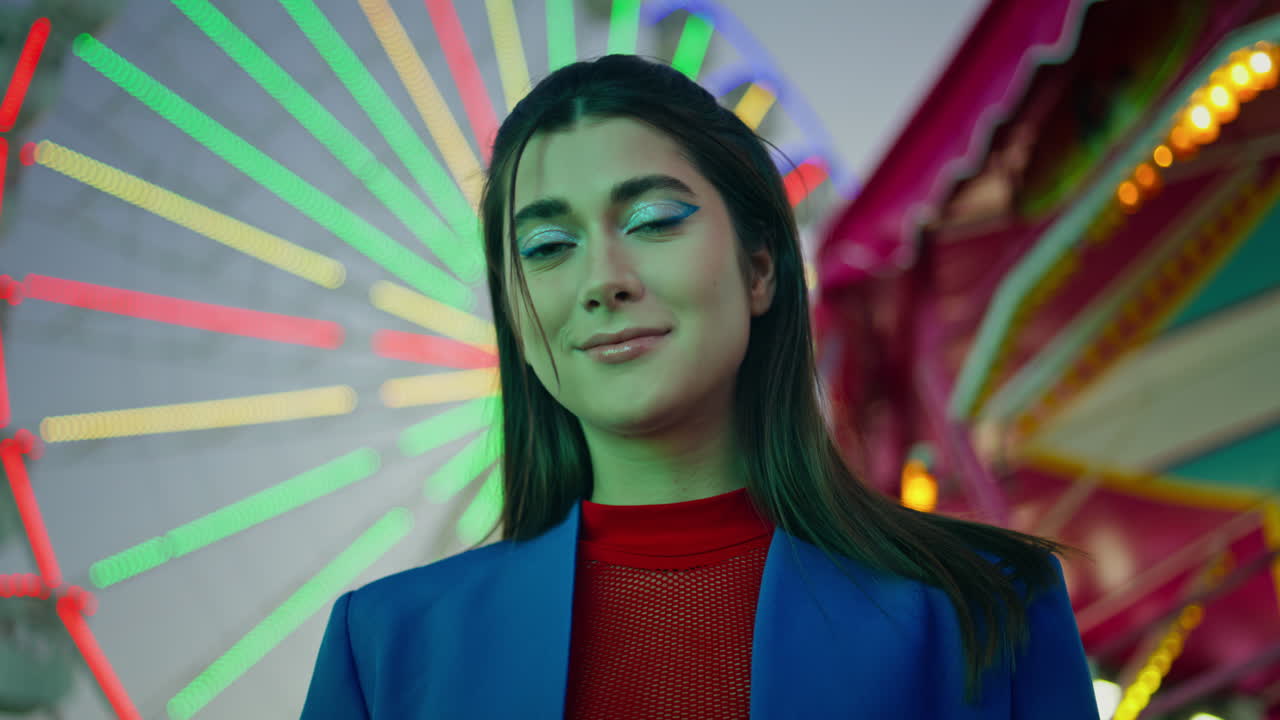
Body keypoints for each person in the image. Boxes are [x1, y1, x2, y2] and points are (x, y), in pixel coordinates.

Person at [300, 54, 1099, 719]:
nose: (602, 281)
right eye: (546, 245)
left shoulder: (986, 610)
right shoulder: (385, 649)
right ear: (513, 309)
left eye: (651, 221)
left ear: (759, 268)